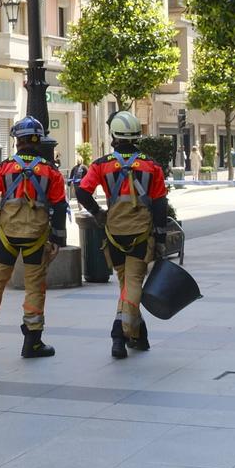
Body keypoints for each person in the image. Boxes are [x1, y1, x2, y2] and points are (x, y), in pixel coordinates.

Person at [77, 110, 172, 359]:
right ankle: (119, 335)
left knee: (126, 285)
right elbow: (160, 205)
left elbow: (82, 192)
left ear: (114, 136)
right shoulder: (152, 166)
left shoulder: (101, 165)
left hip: (114, 234)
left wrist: (98, 213)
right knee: (132, 286)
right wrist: (161, 239)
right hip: (141, 235)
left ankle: (139, 336)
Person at [0, 116, 68, 359]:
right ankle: (33, 341)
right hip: (36, 236)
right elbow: (58, 207)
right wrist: (57, 240)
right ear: (38, 141)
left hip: (7, 235)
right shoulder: (50, 172)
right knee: (35, 286)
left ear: (17, 141)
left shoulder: (3, 168)